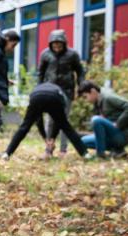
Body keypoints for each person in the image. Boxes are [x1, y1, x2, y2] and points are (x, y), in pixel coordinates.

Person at [2, 83, 90, 160]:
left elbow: (38, 120)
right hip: (55, 97)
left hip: (36, 97)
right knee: (66, 127)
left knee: (24, 127)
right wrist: (52, 138)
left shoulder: (39, 87)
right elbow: (58, 122)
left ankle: (7, 153)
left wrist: (46, 138)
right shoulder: (61, 93)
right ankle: (85, 154)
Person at [37, 29, 86, 157]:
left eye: (59, 45)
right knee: (50, 120)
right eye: (54, 45)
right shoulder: (45, 54)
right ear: (51, 44)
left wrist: (81, 84)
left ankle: (63, 150)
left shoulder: (72, 54)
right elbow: (40, 73)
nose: (57, 48)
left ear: (64, 43)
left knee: (64, 121)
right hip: (50, 90)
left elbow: (80, 71)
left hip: (67, 90)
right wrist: (39, 88)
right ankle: (48, 150)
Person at [77, 81, 128, 158]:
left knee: (96, 119)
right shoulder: (97, 104)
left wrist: (119, 123)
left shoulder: (108, 98)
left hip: (123, 134)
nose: (86, 100)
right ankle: (118, 150)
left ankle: (100, 154)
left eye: (86, 97)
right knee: (82, 141)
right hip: (112, 135)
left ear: (93, 91)